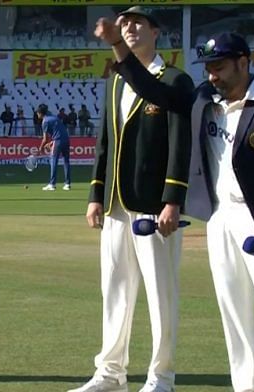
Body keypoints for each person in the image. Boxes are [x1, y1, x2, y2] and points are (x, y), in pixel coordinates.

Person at [103, 27, 254, 391]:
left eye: (220, 67)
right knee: (234, 314)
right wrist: (120, 49)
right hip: (220, 217)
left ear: (243, 63)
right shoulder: (204, 100)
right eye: (209, 68)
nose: (212, 75)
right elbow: (157, 93)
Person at [72, 8, 194, 392]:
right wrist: (96, 193)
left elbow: (180, 144)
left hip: (153, 206)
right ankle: (110, 373)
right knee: (115, 291)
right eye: (124, 24)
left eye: (139, 23)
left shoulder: (176, 79)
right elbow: (105, 142)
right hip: (116, 206)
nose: (130, 29)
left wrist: (172, 198)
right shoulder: (115, 82)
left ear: (156, 32)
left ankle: (162, 375)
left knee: (161, 294)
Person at [37, 104, 72, 191]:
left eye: (38, 113)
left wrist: (40, 149)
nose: (37, 115)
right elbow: (59, 132)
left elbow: (45, 139)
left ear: (40, 113)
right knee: (66, 161)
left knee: (53, 160)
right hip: (66, 140)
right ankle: (67, 184)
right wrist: (51, 143)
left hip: (58, 141)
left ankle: (52, 184)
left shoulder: (45, 121)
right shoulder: (54, 117)